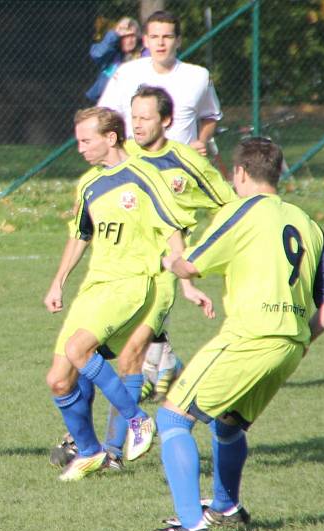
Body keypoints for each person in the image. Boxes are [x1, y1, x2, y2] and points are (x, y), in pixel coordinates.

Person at [147, 137, 324, 531]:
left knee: (172, 418)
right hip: (289, 346)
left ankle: (190, 526)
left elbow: (190, 264)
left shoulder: (240, 211)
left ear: (239, 173)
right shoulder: (306, 222)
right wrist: (305, 336)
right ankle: (225, 507)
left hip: (249, 337)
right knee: (228, 424)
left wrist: (167, 260)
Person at [43, 107, 195, 481]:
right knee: (58, 380)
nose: (79, 148)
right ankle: (91, 452)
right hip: (95, 286)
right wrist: (58, 280)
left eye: (86, 140)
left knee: (84, 351)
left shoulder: (144, 176)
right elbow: (80, 234)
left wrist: (187, 280)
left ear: (110, 138)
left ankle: (138, 419)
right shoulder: (88, 184)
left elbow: (173, 227)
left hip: (131, 283)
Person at [99, 85, 237, 459]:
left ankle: (110, 450)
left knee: (127, 355)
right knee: (83, 355)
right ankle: (169, 367)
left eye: (146, 117)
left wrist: (194, 272)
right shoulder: (122, 158)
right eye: (134, 117)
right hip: (119, 272)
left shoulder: (187, 162)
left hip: (160, 275)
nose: (138, 124)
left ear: (166, 121)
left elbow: (232, 208)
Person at [97, 10, 222, 157]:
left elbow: (211, 116)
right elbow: (104, 116)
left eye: (167, 37)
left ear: (178, 41)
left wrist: (201, 141)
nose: (160, 43)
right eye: (154, 37)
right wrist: (117, 150)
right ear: (145, 40)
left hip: (181, 168)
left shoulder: (198, 76)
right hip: (136, 166)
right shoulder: (126, 73)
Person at [85, 17, 145, 104]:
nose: (129, 40)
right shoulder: (111, 54)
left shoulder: (144, 54)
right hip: (104, 101)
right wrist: (114, 34)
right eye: (124, 36)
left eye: (132, 36)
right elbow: (97, 54)